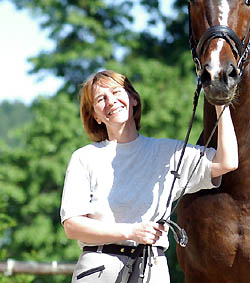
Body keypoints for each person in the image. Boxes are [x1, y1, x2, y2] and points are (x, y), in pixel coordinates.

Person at [60, 70, 238, 282]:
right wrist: (131, 232)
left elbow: (226, 162)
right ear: (95, 116)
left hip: (152, 269)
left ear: (133, 99)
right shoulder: (84, 157)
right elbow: (72, 226)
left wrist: (221, 102)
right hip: (98, 270)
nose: (111, 101)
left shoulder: (166, 153)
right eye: (101, 99)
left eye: (117, 92)